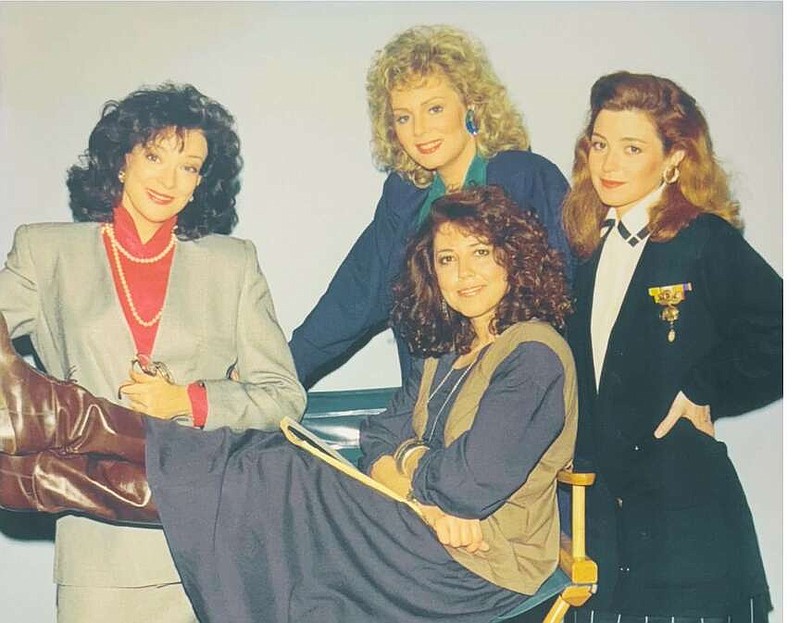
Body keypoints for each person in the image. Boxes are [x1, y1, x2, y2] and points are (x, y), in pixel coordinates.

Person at [0, 186, 576, 623]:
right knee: (269, 464)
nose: (463, 274)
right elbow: (378, 436)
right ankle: (48, 467)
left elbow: (466, 485)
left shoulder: (534, 356)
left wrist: (411, 472)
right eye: (447, 259)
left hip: (481, 572)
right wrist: (414, 478)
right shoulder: (446, 350)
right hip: (423, 542)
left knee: (282, 472)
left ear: (514, 257)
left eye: (480, 253)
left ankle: (58, 436)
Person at [0, 83, 305, 622]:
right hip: (98, 545)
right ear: (121, 160)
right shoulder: (45, 252)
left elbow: (283, 397)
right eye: (155, 156)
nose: (168, 179)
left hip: (211, 539)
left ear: (200, 183)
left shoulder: (232, 264)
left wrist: (189, 401)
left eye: (189, 167)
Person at [562, 71, 782, 622]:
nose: (609, 164)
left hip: (684, 514)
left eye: (631, 148)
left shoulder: (705, 238)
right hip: (606, 515)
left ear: (674, 158)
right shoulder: (587, 246)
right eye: (601, 145)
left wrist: (706, 387)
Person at [289, 24, 573, 387]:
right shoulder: (404, 197)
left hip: (515, 395)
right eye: (403, 117)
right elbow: (348, 305)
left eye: (434, 108)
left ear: (470, 104)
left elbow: (569, 299)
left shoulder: (526, 178)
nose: (419, 130)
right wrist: (270, 378)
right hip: (428, 405)